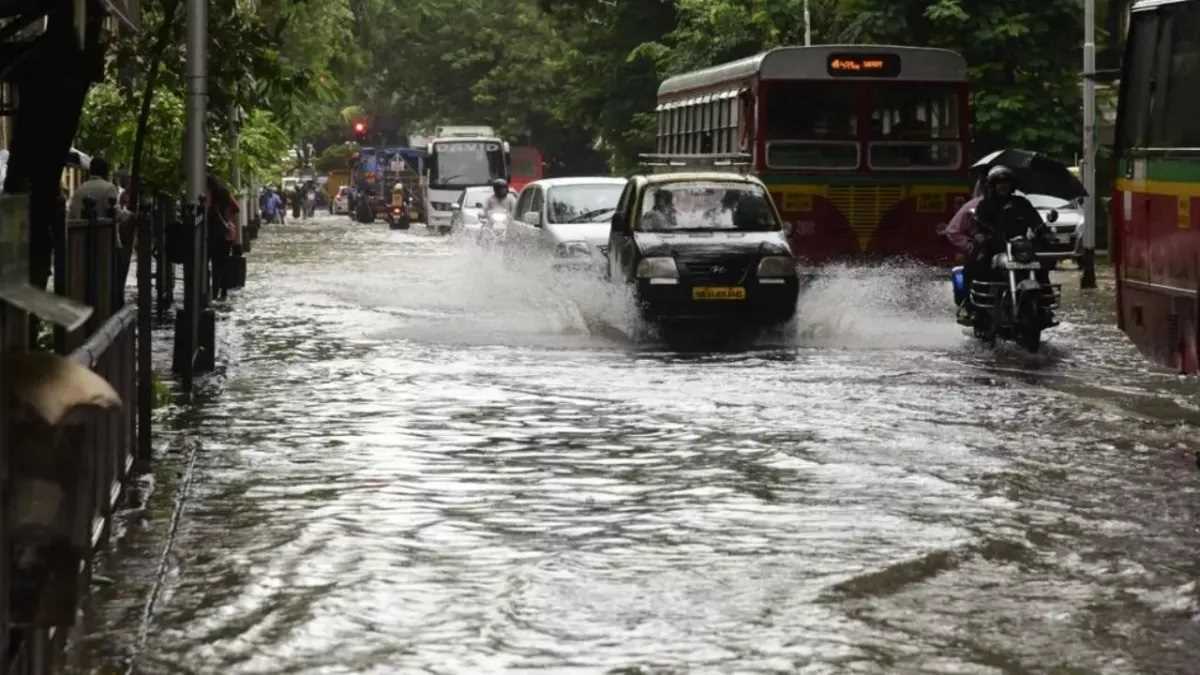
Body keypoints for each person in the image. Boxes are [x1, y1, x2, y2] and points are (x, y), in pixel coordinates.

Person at [946, 165, 1049, 321]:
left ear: (1012, 185)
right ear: (992, 186)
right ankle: (970, 308)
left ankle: (1045, 306)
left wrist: (1042, 231)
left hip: (1018, 248)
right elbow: (979, 223)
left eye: (1006, 182)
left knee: (1041, 268)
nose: (1003, 186)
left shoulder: (1022, 203)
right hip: (993, 247)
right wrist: (980, 236)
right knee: (973, 268)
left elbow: (1035, 221)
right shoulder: (984, 205)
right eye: (998, 183)